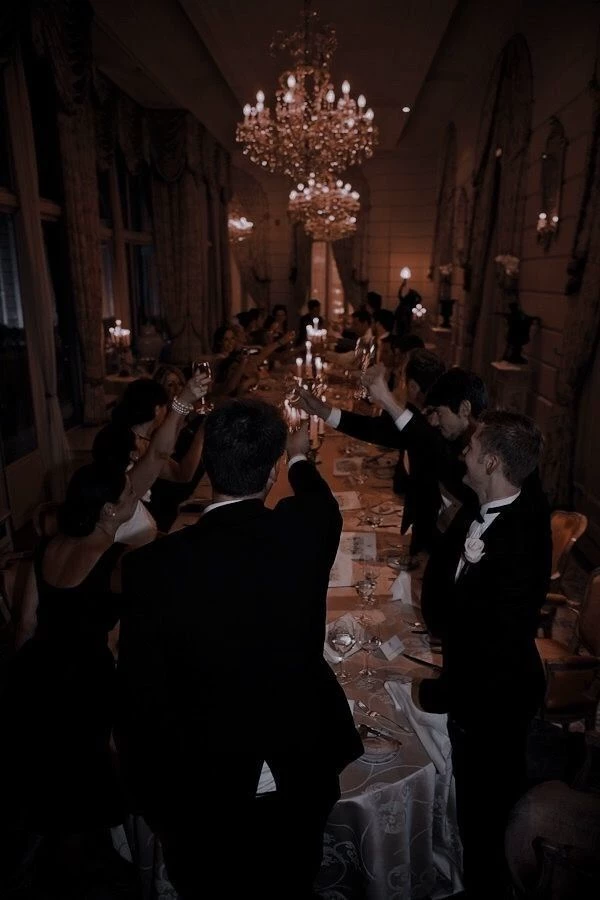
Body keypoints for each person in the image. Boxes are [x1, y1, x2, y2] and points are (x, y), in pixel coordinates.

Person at [115, 401, 363, 899]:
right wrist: (298, 456)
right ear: (272, 472)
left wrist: (154, 803)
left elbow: (139, 696)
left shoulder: (150, 567)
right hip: (296, 769)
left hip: (199, 789)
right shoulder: (305, 530)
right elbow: (319, 500)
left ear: (207, 468)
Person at [415, 411, 552, 900]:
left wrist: (438, 694)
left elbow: (488, 641)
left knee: (487, 820)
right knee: (469, 810)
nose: (463, 455)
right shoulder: (485, 504)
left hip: (494, 702)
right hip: (476, 686)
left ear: (492, 462)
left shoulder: (521, 537)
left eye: (471, 450)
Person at [1, 464, 141, 896]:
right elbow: (123, 637)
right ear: (109, 510)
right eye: (128, 494)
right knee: (84, 778)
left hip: (39, 670)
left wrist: (21, 680)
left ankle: (45, 859)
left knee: (47, 772)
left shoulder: (47, 546)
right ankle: (79, 869)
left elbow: (25, 624)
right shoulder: (118, 560)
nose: (134, 498)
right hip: (85, 679)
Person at [295, 350, 447, 555]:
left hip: (437, 542)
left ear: (412, 387)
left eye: (400, 377)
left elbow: (422, 439)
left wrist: (386, 398)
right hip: (416, 531)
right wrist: (322, 410)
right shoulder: (416, 417)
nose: (396, 382)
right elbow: (373, 429)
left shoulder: (437, 429)